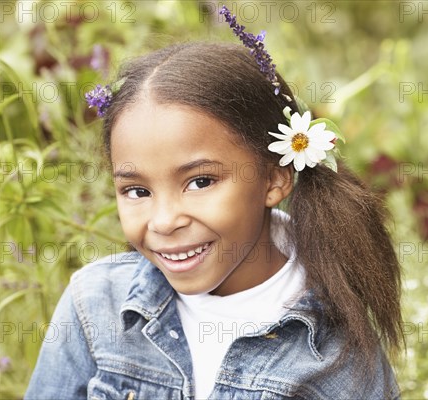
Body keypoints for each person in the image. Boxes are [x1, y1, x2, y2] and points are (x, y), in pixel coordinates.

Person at [26, 9, 403, 400]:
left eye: (200, 182)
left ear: (275, 177)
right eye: (137, 191)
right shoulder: (94, 305)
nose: (165, 221)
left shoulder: (338, 355)